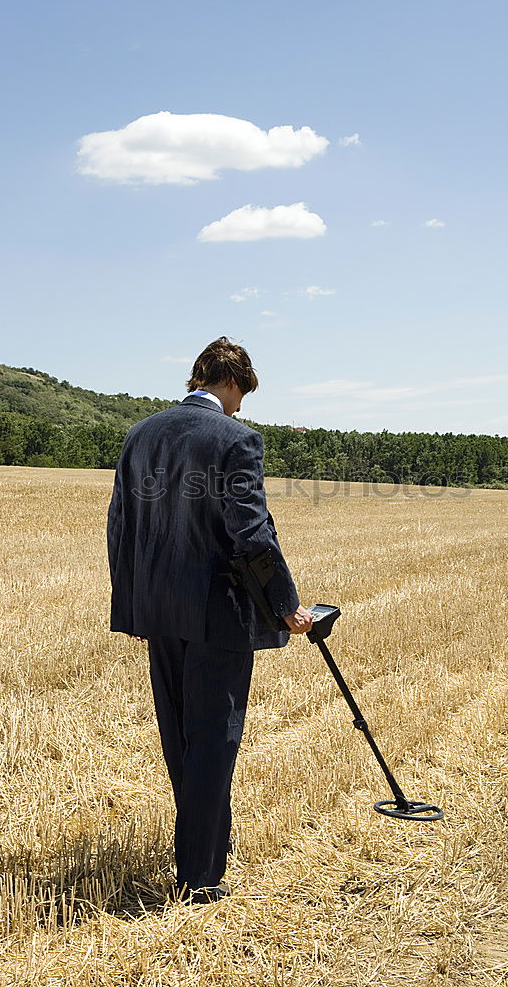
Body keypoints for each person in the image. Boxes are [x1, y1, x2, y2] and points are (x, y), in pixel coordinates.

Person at [106, 336, 312, 903]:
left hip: (159, 612)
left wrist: (133, 603)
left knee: (180, 736)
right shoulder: (236, 439)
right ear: (229, 382)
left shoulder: (139, 435)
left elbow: (120, 526)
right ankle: (201, 876)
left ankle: (205, 842)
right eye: (240, 396)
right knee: (214, 740)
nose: (240, 408)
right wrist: (285, 605)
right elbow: (251, 535)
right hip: (218, 616)